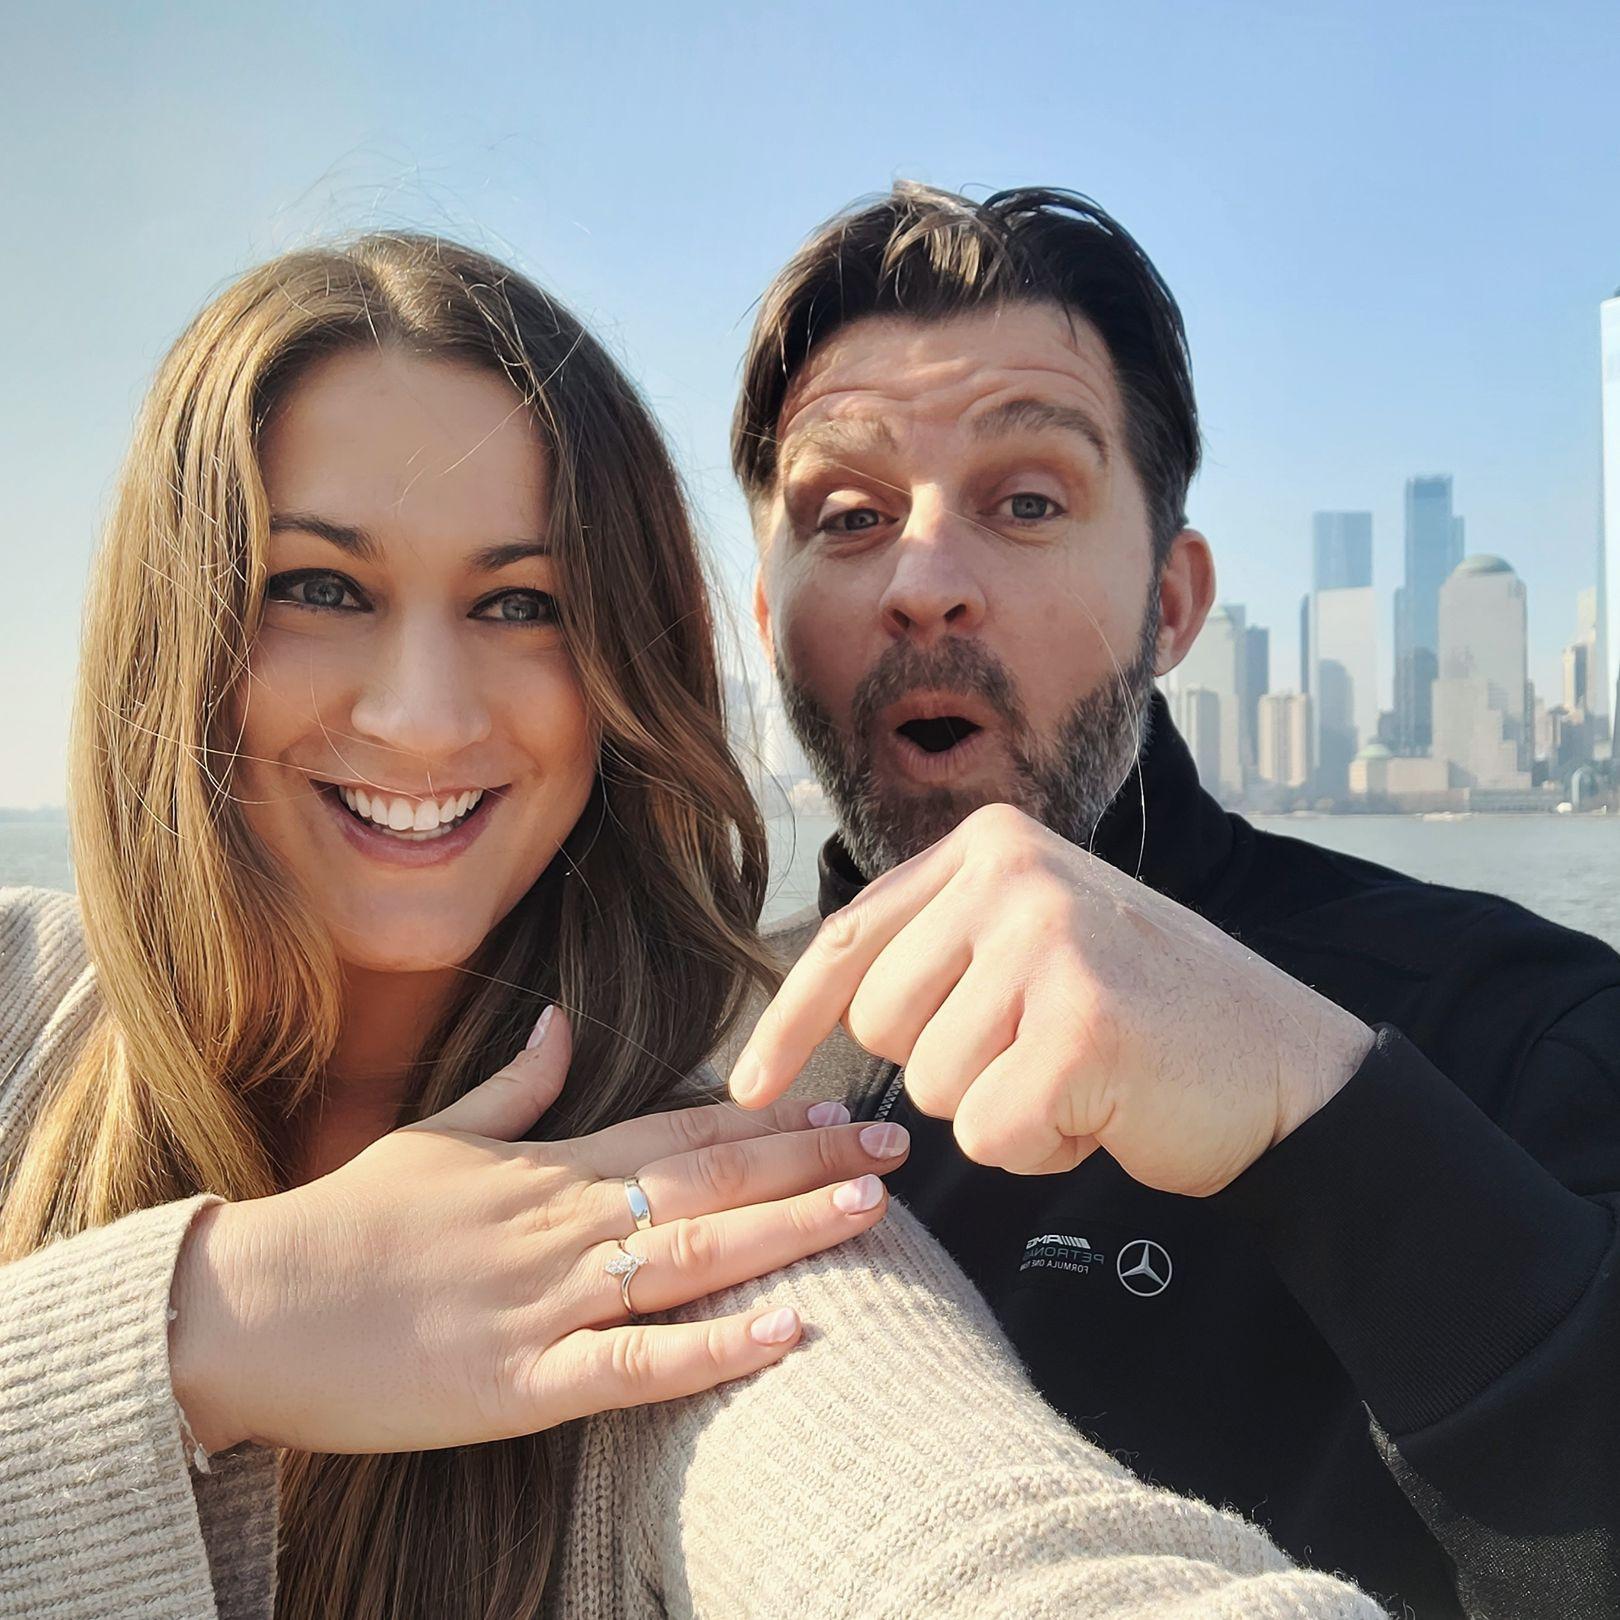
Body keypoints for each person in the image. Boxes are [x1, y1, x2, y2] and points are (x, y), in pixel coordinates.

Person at [0, 232, 1383, 1620]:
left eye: (522, 603)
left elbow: (1010, 1553)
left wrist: (1332, 1111)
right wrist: (203, 1326)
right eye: (318, 587)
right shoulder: (17, 989)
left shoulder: (724, 1212)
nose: (422, 715)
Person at [723, 182, 1620, 1620]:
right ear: (769, 621)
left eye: (1027, 502)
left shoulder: (1527, 1036)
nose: (925, 581)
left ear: (1173, 602)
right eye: (848, 513)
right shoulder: (677, 1039)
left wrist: (1327, 1121)